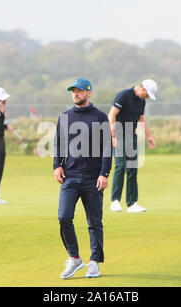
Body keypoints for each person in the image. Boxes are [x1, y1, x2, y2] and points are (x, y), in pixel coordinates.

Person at [53, 78, 112, 279]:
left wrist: (104, 174)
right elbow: (58, 143)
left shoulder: (100, 117)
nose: (76, 94)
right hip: (70, 177)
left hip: (93, 178)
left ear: (89, 93)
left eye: (79, 91)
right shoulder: (65, 116)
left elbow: (106, 148)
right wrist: (56, 165)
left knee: (94, 222)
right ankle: (75, 258)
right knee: (64, 217)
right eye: (73, 91)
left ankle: (95, 261)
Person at [108, 79, 158, 213]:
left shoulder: (141, 101)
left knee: (132, 168)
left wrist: (149, 137)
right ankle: (115, 201)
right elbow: (112, 114)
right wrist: (112, 135)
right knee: (120, 165)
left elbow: (141, 119)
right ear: (142, 88)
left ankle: (131, 203)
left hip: (131, 135)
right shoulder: (124, 95)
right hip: (118, 133)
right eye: (147, 94)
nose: (147, 97)